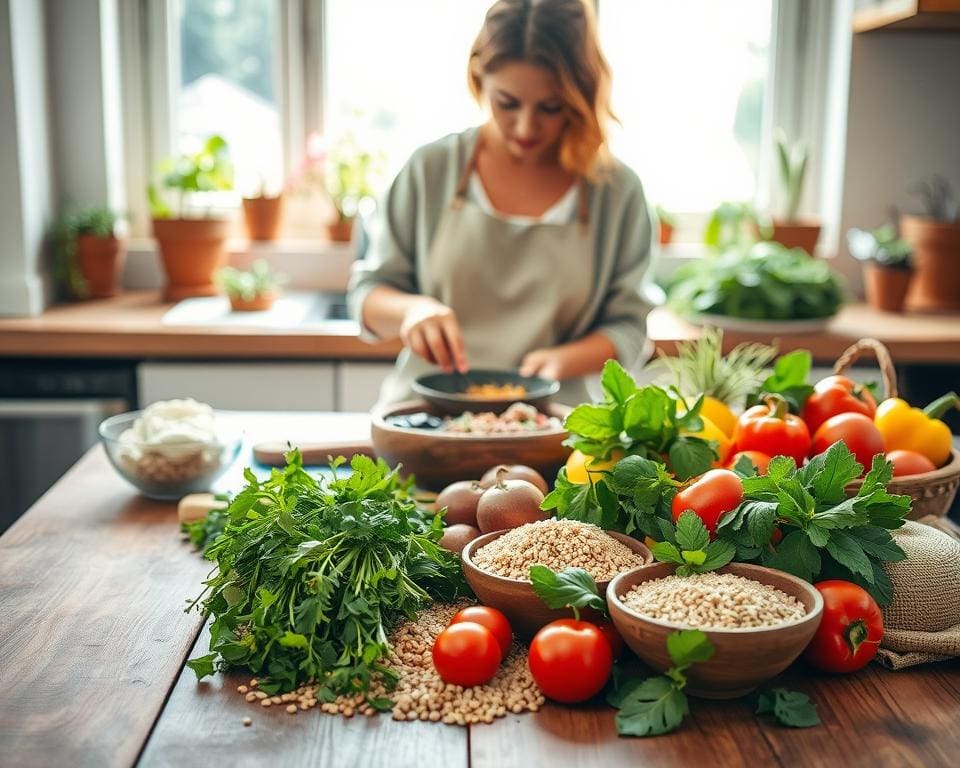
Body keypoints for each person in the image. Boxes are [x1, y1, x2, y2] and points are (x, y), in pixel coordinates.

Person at [347, 0, 655, 406]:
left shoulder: (616, 192)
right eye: (506, 103)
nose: (526, 127)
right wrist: (411, 312)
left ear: (582, 94)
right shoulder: (431, 169)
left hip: (561, 429)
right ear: (478, 76)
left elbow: (630, 328)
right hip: (425, 422)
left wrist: (563, 360)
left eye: (550, 107)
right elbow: (367, 294)